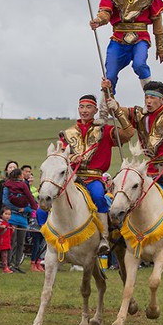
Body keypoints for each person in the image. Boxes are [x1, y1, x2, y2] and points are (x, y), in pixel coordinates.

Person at [103, 79, 163, 258]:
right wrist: (111, 98)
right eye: (146, 97)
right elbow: (122, 112)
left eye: (153, 98)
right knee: (131, 198)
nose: (148, 101)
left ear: (161, 99)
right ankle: (125, 235)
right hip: (151, 169)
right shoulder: (141, 113)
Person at [57, 94, 135, 255]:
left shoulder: (105, 130)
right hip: (73, 177)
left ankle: (104, 238)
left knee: (99, 196)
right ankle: (51, 234)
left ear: (95, 110)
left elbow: (128, 133)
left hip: (94, 177)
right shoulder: (68, 133)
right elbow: (60, 155)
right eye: (81, 107)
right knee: (51, 200)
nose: (84, 111)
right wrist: (72, 157)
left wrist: (118, 111)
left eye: (88, 107)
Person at [90, 0, 163, 112]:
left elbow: (157, 22)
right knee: (110, 74)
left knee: (140, 64)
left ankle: (151, 102)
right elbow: (106, 11)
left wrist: (160, 47)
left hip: (140, 36)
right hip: (118, 36)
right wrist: (98, 20)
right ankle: (105, 112)